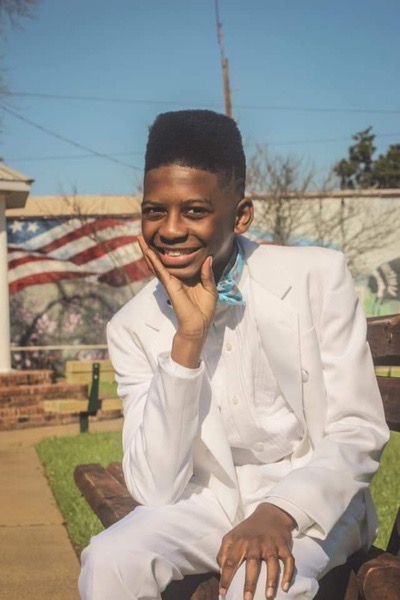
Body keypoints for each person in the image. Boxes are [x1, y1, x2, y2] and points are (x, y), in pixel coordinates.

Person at [78, 110, 389, 600]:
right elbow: (156, 489)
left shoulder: (316, 276)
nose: (171, 229)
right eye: (155, 210)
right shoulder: (132, 326)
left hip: (313, 508)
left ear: (241, 214)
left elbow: (358, 428)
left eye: (195, 211)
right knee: (110, 559)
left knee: (260, 580)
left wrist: (279, 510)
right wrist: (186, 345)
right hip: (208, 503)